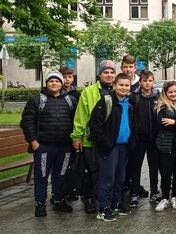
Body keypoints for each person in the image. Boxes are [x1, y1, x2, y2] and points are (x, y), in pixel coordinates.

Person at [20, 70, 76, 217]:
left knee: (61, 174)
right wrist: (33, 141)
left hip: (65, 146)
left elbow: (76, 121)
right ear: (46, 83)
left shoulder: (70, 100)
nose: (54, 83)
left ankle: (59, 200)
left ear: (62, 83)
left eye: (57, 81)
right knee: (42, 176)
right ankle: (40, 204)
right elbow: (27, 122)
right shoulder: (37, 100)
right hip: (44, 145)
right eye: (51, 81)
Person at [71, 59, 117, 214]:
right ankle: (90, 199)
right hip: (91, 141)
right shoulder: (88, 92)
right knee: (92, 171)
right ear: (99, 74)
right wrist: (77, 136)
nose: (109, 75)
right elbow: (81, 116)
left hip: (111, 140)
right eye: (106, 72)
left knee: (107, 172)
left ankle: (104, 199)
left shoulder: (117, 91)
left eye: (112, 72)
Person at [88, 73, 135, 222]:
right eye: (121, 85)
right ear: (114, 85)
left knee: (119, 179)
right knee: (107, 179)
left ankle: (115, 204)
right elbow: (95, 126)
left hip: (123, 147)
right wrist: (106, 144)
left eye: (127, 85)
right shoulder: (105, 101)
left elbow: (133, 126)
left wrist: (131, 144)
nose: (124, 87)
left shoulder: (130, 104)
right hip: (110, 147)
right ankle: (103, 208)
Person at [128, 70, 160, 206]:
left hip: (154, 138)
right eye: (145, 81)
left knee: (154, 166)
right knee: (136, 166)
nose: (147, 83)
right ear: (140, 82)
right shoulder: (134, 96)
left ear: (153, 82)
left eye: (150, 81)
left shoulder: (158, 96)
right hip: (139, 138)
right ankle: (134, 192)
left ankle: (154, 192)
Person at [153, 81, 176, 213]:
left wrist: (175, 122)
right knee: (166, 172)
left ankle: (175, 196)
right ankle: (164, 197)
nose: (173, 94)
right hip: (165, 144)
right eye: (170, 92)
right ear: (165, 93)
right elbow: (163, 123)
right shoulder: (161, 106)